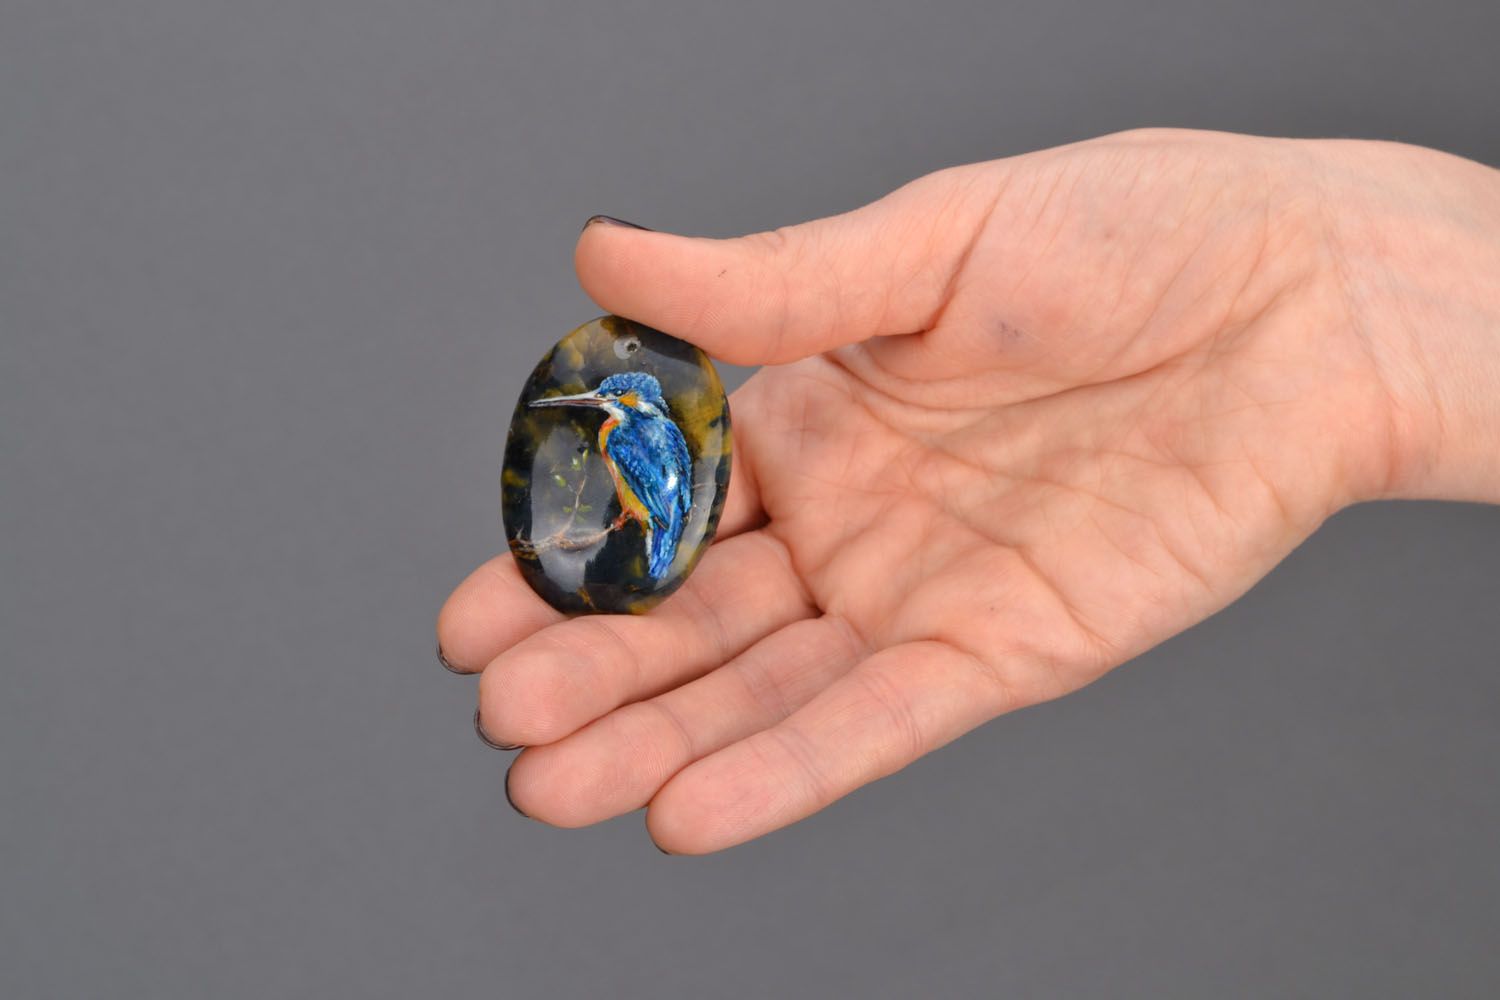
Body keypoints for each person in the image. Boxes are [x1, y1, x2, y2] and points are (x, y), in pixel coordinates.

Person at [436, 128, 1499, 855]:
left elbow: (655, 490)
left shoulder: (640, 430)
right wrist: (1336, 274)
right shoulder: (637, 425)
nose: (603, 406)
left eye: (610, 399)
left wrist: (1325, 280)